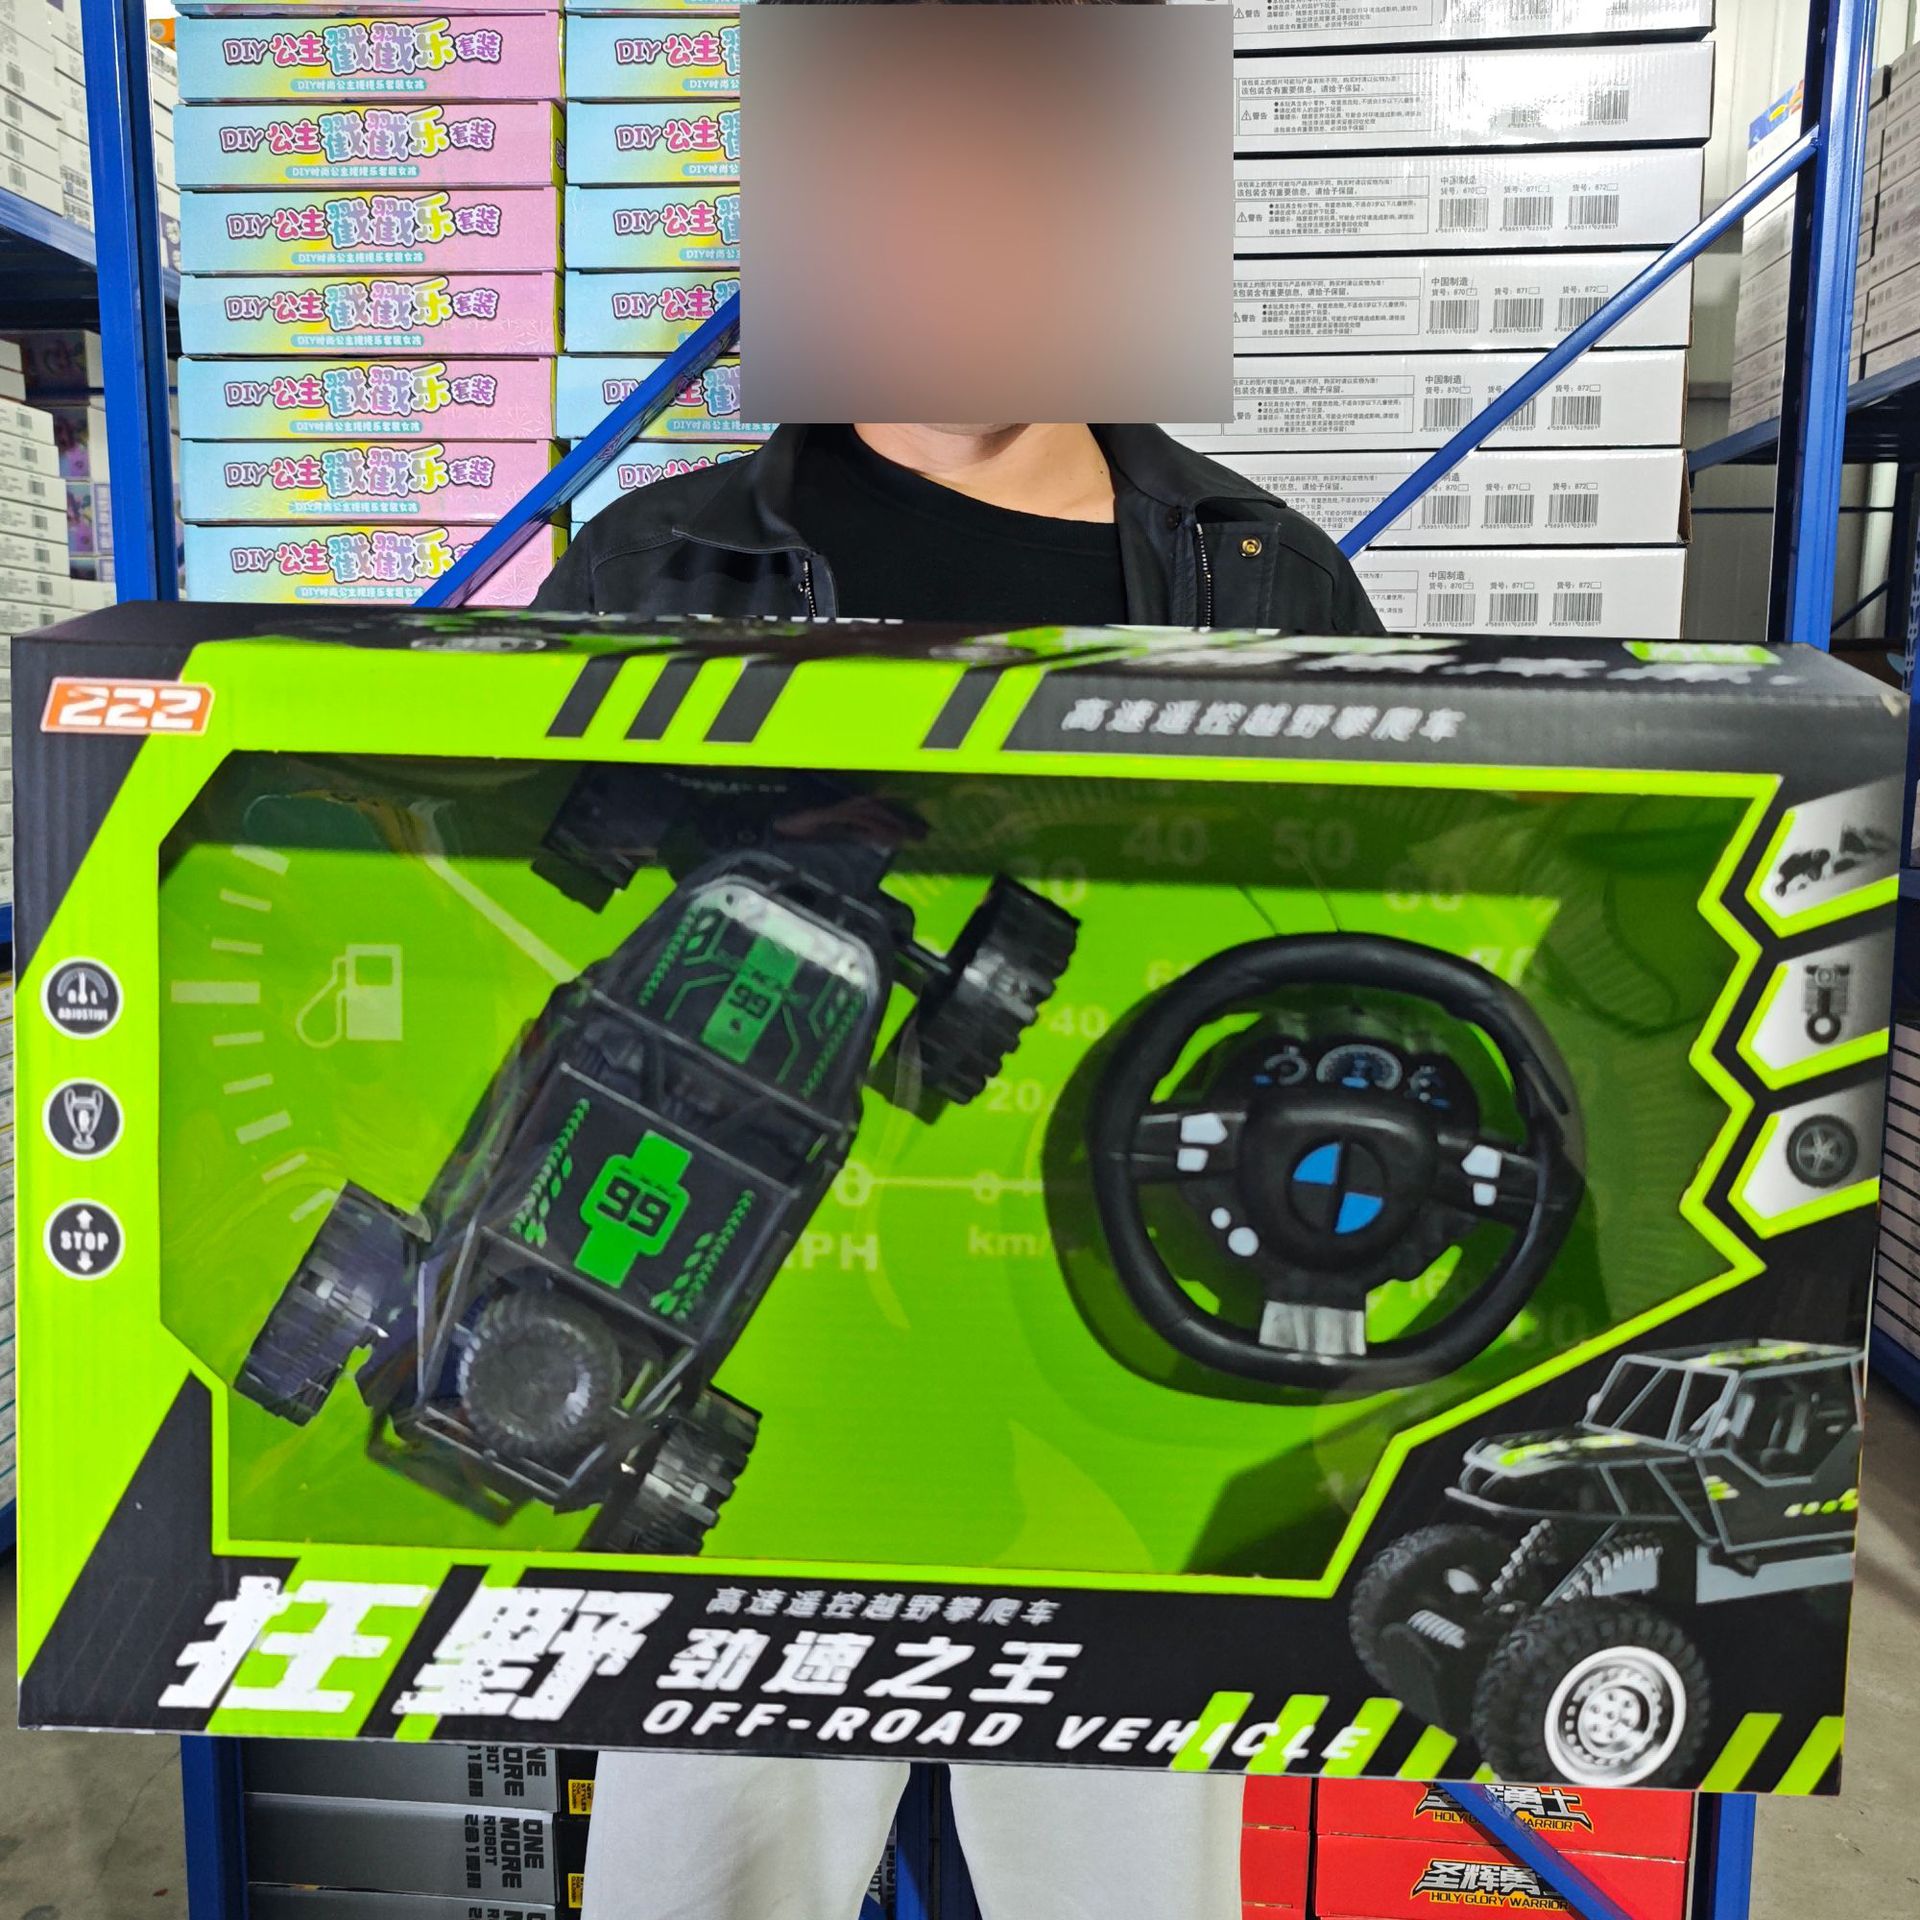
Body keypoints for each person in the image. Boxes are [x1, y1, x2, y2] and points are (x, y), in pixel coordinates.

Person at [535, 6, 1383, 1916]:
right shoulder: (654, 567)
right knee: (704, 1889)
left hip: (1129, 1357)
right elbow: (517, 901)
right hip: (716, 1340)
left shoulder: (1267, 578)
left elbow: (1365, 944)